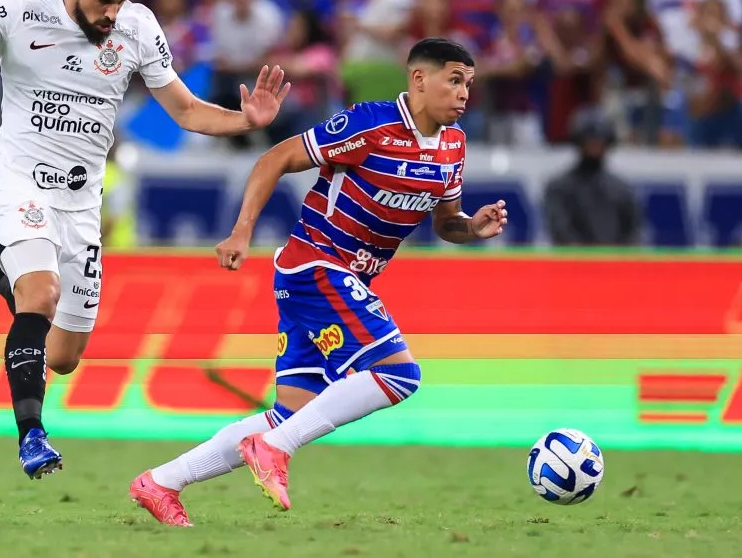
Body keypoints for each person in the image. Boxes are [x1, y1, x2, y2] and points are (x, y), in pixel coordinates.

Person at [0, 0, 290, 480]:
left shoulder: (138, 27)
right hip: (23, 187)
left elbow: (184, 110)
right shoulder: (20, 12)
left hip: (82, 206)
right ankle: (31, 436)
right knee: (39, 295)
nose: (112, 13)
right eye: (103, 0)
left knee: (62, 355)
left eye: (121, 0)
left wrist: (243, 120)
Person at [129, 38, 508, 526]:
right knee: (398, 374)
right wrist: (242, 232)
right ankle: (274, 450)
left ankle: (161, 482)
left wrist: (471, 228)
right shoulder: (370, 124)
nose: (463, 94)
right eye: (454, 80)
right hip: (316, 266)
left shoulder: (454, 145)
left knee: (289, 414)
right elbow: (275, 159)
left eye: (469, 84)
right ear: (419, 79)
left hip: (337, 278)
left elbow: (446, 221)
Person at [543, 110, 641, 246]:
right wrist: (587, 259)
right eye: (590, 141)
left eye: (599, 141)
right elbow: (561, 232)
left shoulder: (622, 189)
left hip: (615, 263)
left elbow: (633, 233)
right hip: (574, 263)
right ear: (579, 142)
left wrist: (613, 259)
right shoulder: (559, 188)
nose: (595, 146)